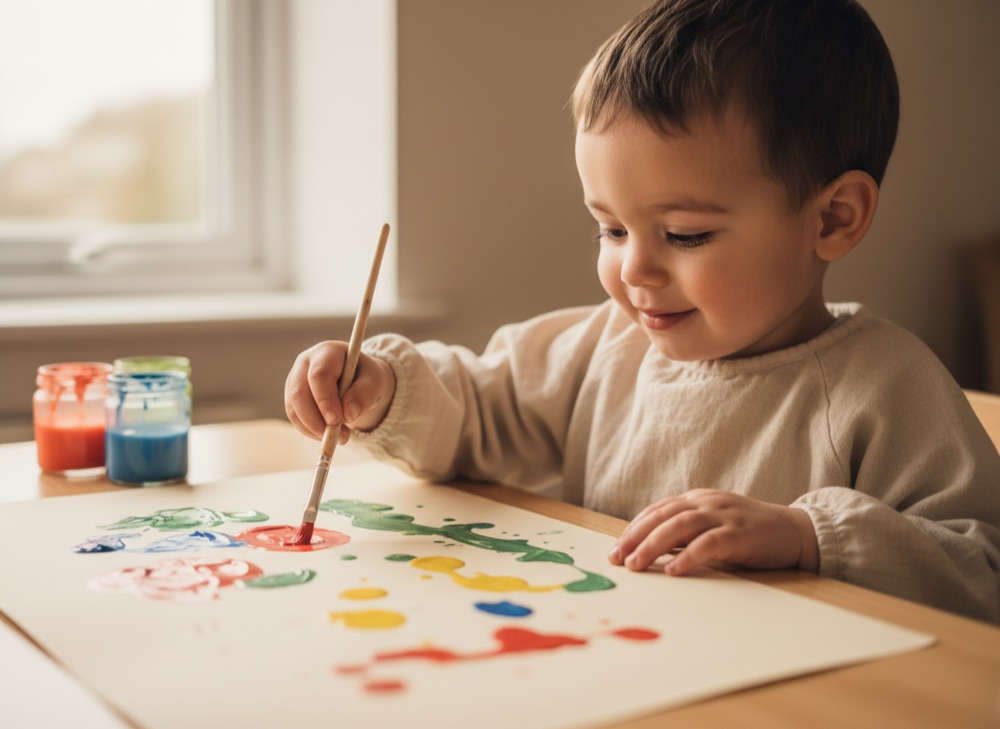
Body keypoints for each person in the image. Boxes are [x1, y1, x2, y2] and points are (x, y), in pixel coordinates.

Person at [285, 0, 1000, 624]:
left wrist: (810, 535)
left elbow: (980, 567)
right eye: (611, 229)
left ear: (834, 217)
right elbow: (477, 406)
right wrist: (383, 390)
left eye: (685, 234)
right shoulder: (610, 343)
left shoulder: (884, 383)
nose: (633, 270)